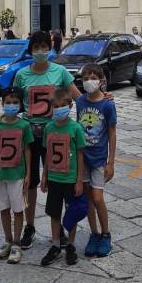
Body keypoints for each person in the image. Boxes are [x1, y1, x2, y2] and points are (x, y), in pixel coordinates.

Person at [0, 30, 80, 250]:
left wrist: (101, 96)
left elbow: (79, 97)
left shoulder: (60, 72)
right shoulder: (22, 75)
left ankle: (59, 227)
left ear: (50, 49)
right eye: (36, 47)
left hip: (55, 135)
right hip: (29, 135)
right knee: (29, 183)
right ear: (30, 50)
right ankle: (29, 226)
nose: (41, 51)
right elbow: (13, 104)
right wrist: (0, 117)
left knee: (58, 181)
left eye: (44, 47)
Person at [40, 88, 86, 267]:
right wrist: (44, 176)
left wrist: (79, 180)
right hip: (54, 178)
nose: (59, 109)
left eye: (62, 106)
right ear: (51, 107)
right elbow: (48, 154)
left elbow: (81, 155)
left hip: (70, 179)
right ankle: (56, 244)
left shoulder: (76, 128)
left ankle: (71, 245)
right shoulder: (49, 128)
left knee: (71, 212)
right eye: (55, 106)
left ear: (70, 105)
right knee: (54, 212)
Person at [0, 89, 33, 264]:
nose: (11, 105)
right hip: (1, 174)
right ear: (2, 104)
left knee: (18, 209)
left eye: (15, 102)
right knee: (3, 208)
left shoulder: (24, 126)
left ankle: (16, 243)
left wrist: (28, 173)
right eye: (8, 102)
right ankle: (7, 240)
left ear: (20, 105)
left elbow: (27, 150)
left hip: (18, 175)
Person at [77, 64, 117, 258]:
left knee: (98, 198)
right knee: (87, 201)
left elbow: (112, 132)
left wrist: (111, 162)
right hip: (82, 158)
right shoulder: (79, 102)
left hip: (99, 158)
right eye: (85, 78)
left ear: (101, 81)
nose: (88, 81)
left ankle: (106, 234)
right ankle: (94, 234)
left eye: (93, 77)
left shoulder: (107, 104)